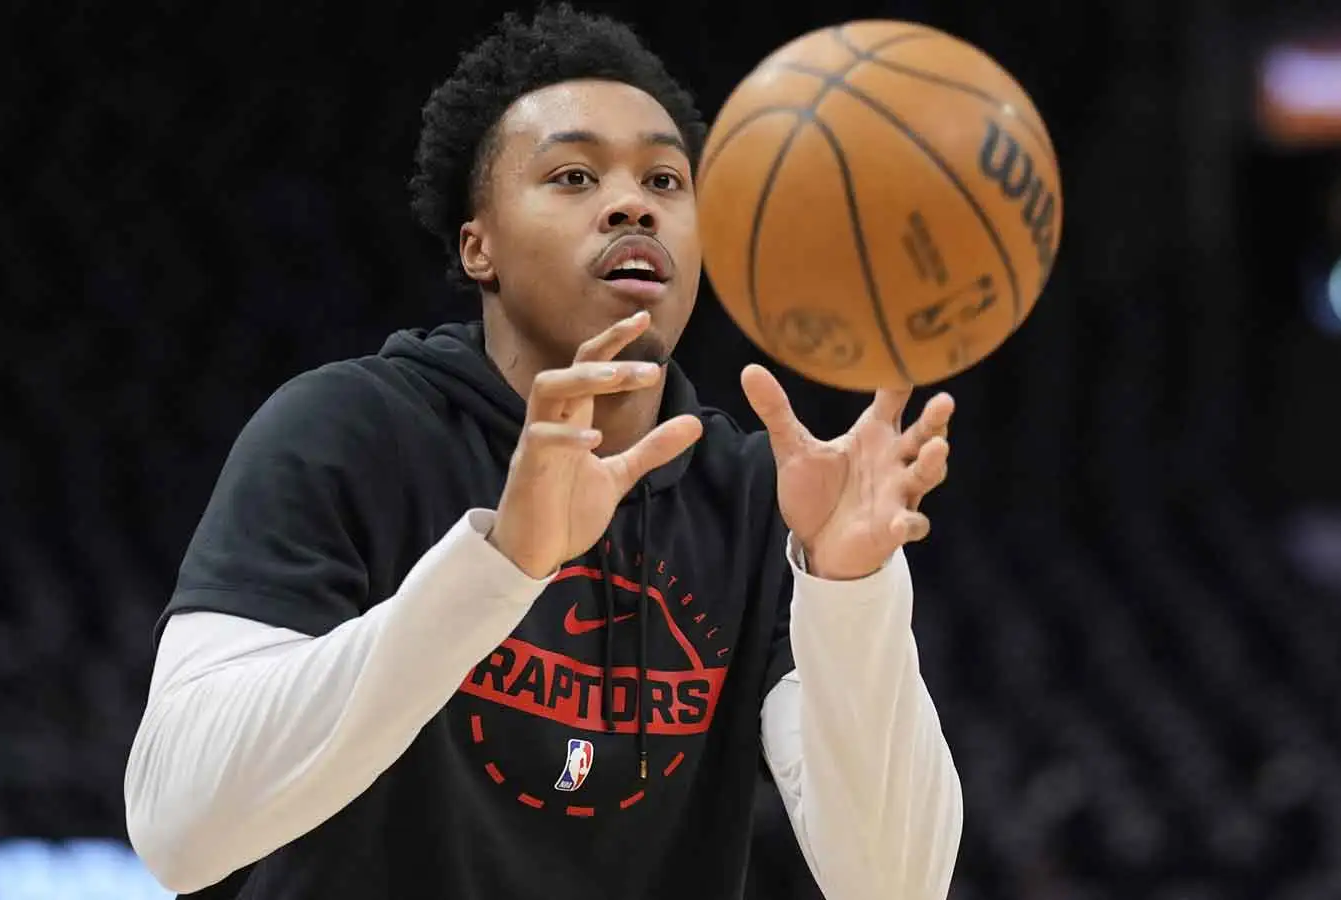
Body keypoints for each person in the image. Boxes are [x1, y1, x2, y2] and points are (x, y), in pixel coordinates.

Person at [124, 6, 963, 899]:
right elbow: (178, 828)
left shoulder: (759, 501)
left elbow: (894, 885)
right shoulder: (347, 432)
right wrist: (499, 565)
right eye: (573, 175)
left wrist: (850, 592)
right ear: (477, 247)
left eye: (666, 179)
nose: (634, 203)